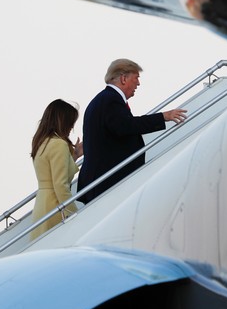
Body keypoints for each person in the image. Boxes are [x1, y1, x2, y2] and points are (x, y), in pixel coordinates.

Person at [78, 59, 187, 204]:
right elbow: (126, 126)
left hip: (102, 182)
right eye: (136, 78)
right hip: (107, 183)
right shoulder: (111, 100)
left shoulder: (104, 99)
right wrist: (163, 117)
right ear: (124, 78)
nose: (138, 83)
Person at [30, 99, 83, 239]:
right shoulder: (59, 144)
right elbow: (60, 185)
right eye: (71, 122)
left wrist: (75, 155)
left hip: (42, 204)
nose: (71, 127)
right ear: (63, 121)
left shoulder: (41, 142)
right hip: (54, 206)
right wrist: (74, 213)